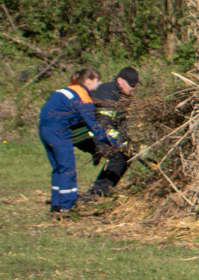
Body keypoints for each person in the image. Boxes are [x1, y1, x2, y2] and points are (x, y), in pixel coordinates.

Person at [38, 68, 119, 217]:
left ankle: (56, 205)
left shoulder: (66, 91)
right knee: (68, 168)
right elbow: (93, 126)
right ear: (89, 81)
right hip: (59, 131)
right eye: (97, 80)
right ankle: (67, 206)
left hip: (44, 129)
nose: (99, 84)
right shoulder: (83, 97)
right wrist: (114, 142)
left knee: (58, 168)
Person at [73, 66, 141, 199]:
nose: (133, 88)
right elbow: (104, 125)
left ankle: (100, 191)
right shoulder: (109, 94)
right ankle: (98, 193)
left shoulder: (122, 96)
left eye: (135, 85)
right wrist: (121, 144)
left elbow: (120, 124)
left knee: (126, 154)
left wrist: (126, 142)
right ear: (120, 81)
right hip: (84, 132)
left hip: (96, 131)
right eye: (131, 85)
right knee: (119, 154)